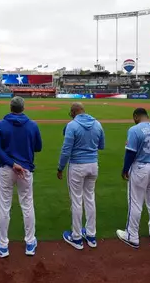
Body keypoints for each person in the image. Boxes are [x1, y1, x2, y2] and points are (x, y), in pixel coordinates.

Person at [0, 96, 42, 258]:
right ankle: (29, 243)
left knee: (4, 206)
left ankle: (3, 245)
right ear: (23, 107)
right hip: (25, 169)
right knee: (27, 205)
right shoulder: (32, 125)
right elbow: (38, 147)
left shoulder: (1, 124)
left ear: (10, 107)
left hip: (6, 169)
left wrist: (11, 162)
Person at [116, 108, 150, 248]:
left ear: (135, 116)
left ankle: (132, 235)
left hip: (140, 167)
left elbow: (130, 153)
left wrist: (125, 169)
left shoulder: (135, 129)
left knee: (135, 202)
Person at [57, 103, 105, 250]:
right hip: (93, 165)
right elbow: (101, 146)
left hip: (77, 165)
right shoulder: (97, 124)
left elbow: (66, 150)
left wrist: (60, 167)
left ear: (73, 112)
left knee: (77, 200)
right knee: (90, 198)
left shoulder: (72, 125)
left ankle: (76, 237)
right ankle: (91, 235)